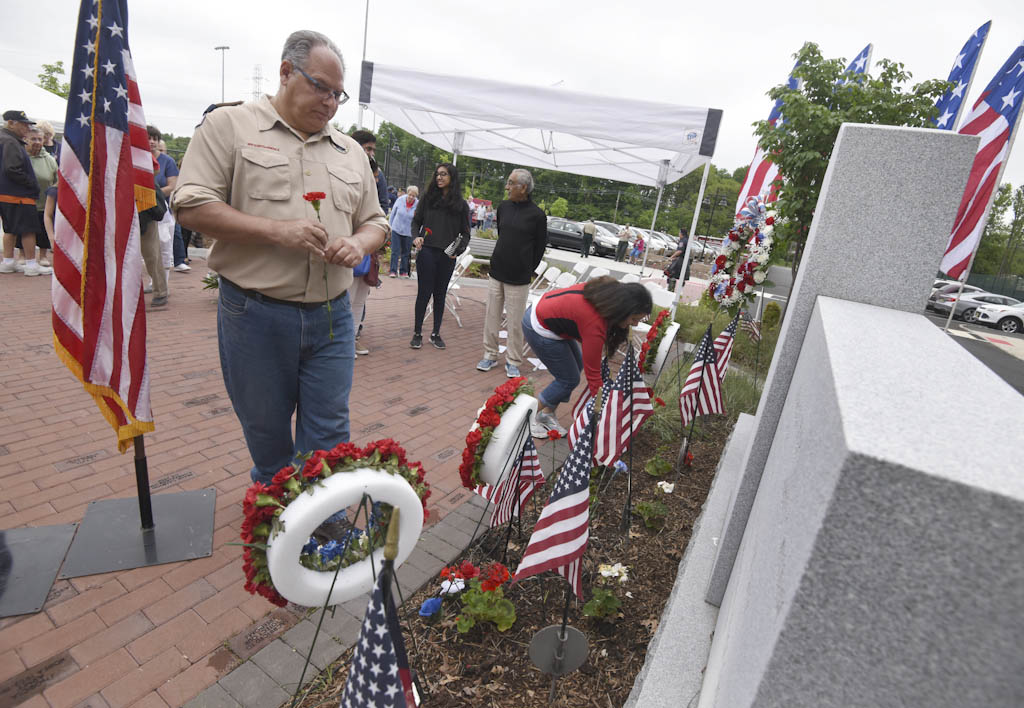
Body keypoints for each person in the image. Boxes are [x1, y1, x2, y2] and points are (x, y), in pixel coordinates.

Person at [172, 30, 389, 497]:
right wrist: (277, 231)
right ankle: (275, 510)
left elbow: (376, 220)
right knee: (267, 429)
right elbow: (189, 205)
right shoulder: (230, 127)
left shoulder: (350, 151)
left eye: (338, 94)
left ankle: (320, 525)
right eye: (320, 87)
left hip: (332, 315)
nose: (331, 103)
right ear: (286, 72)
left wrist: (358, 241)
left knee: (329, 431)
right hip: (255, 313)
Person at [522, 276, 652, 437]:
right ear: (622, 310)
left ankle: (546, 415)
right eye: (633, 319)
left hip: (549, 312)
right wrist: (605, 409)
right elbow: (594, 376)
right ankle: (522, 419)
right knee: (568, 379)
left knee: (575, 369)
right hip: (539, 325)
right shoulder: (595, 324)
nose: (636, 324)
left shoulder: (611, 293)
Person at [477, 169, 547, 378]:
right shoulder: (504, 207)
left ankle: (513, 361)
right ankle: (490, 354)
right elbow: (502, 234)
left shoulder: (537, 215)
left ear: (523, 187)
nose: (506, 187)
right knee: (491, 316)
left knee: (515, 322)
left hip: (519, 278)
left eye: (510, 183)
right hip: (497, 270)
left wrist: (526, 267)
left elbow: (540, 248)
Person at [409, 162, 470, 350]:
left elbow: (465, 234)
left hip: (447, 256)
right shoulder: (428, 199)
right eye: (437, 174)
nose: (439, 177)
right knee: (423, 294)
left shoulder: (461, 205)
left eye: (444, 174)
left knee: (440, 295)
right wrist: (416, 237)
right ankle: (417, 333)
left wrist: (456, 251)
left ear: (452, 177)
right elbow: (415, 222)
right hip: (426, 252)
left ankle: (435, 333)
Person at [0, 110, 49, 276]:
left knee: (10, 229)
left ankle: (7, 261)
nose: (27, 127)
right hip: (19, 194)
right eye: (23, 124)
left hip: (7, 193)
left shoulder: (6, 139)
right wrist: (32, 185)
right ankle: (30, 264)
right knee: (28, 229)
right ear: (11, 123)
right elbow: (12, 168)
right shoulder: (10, 142)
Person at [148, 125, 190, 273]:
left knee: (166, 240)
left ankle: (175, 264)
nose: (152, 142)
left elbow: (172, 185)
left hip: (162, 208)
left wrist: (152, 194)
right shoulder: (137, 158)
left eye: (155, 139)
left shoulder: (167, 161)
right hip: (141, 208)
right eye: (149, 138)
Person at [24, 127, 57, 267]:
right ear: (26, 140)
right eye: (33, 139)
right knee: (25, 229)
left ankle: (43, 256)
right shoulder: (22, 157)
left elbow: (56, 177)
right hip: (25, 200)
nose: (37, 142)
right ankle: (22, 255)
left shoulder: (49, 159)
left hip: (44, 201)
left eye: (39, 139)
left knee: (43, 228)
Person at [350, 129, 389, 213]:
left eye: (373, 150)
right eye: (368, 149)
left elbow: (383, 206)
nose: (372, 153)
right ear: (356, 147)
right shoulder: (340, 167)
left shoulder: (377, 174)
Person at [388, 185, 418, 278]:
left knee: (406, 253)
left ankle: (403, 271)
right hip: (396, 229)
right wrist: (390, 227)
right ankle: (393, 271)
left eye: (414, 196)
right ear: (407, 194)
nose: (411, 197)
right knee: (395, 251)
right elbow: (393, 214)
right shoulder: (400, 200)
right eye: (410, 195)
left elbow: (418, 219)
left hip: (409, 232)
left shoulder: (418, 204)